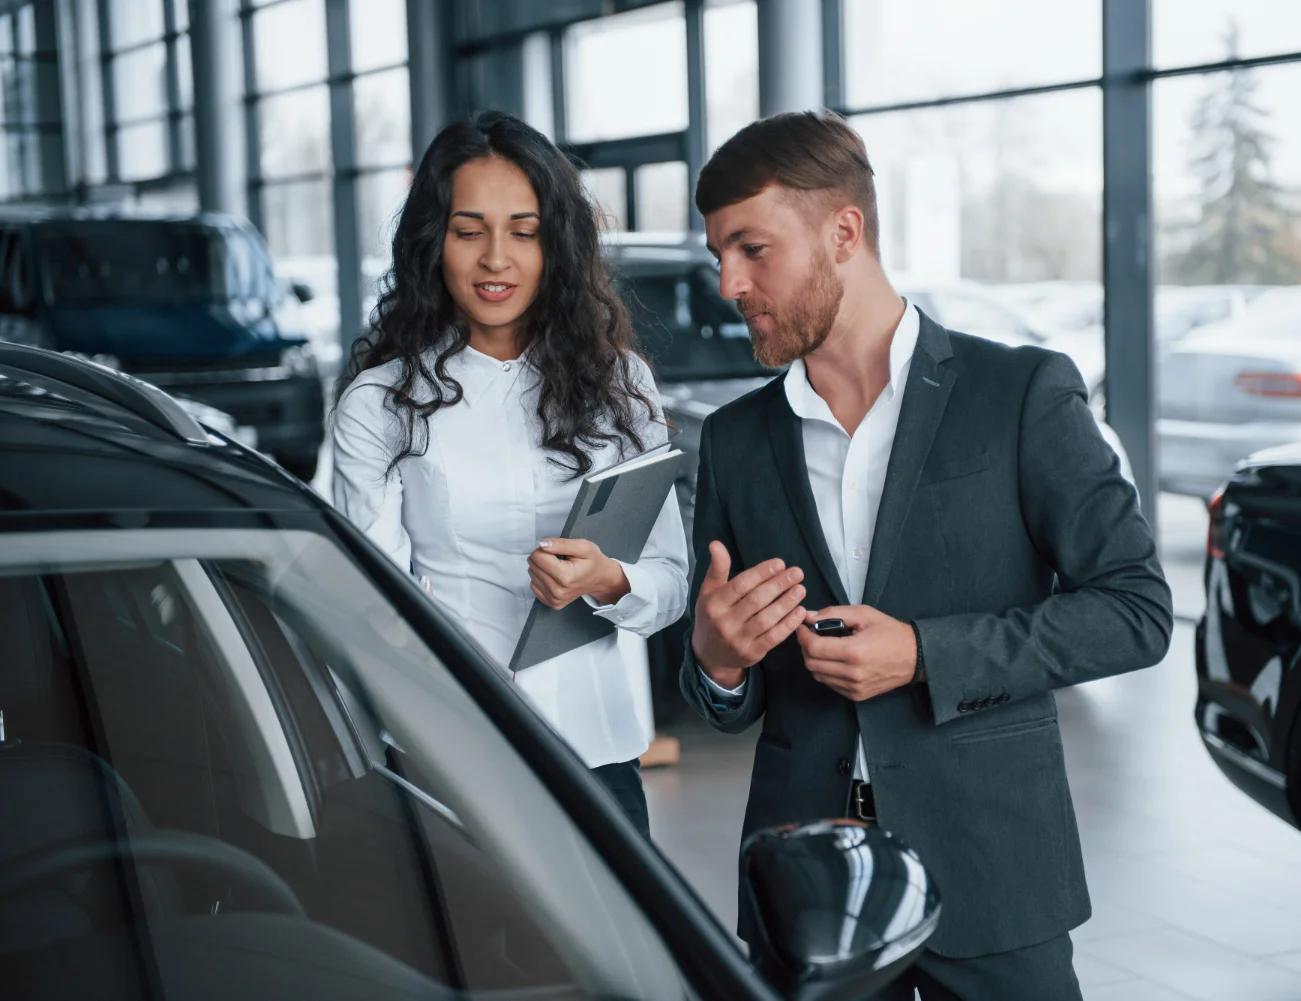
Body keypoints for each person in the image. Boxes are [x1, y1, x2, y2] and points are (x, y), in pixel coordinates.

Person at [678, 111, 1174, 1000]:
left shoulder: (1019, 392)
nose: (728, 282)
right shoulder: (734, 440)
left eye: (751, 249)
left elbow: (1135, 609)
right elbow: (722, 698)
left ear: (844, 232)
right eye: (720, 254)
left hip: (993, 874)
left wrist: (923, 653)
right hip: (807, 895)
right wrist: (716, 662)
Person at [331, 111, 688, 838]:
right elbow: (362, 603)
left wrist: (608, 580)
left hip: (598, 748)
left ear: (555, 244)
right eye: (470, 231)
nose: (497, 258)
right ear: (435, 244)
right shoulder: (381, 403)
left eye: (524, 231)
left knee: (616, 955)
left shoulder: (622, 384)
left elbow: (670, 582)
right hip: (452, 749)